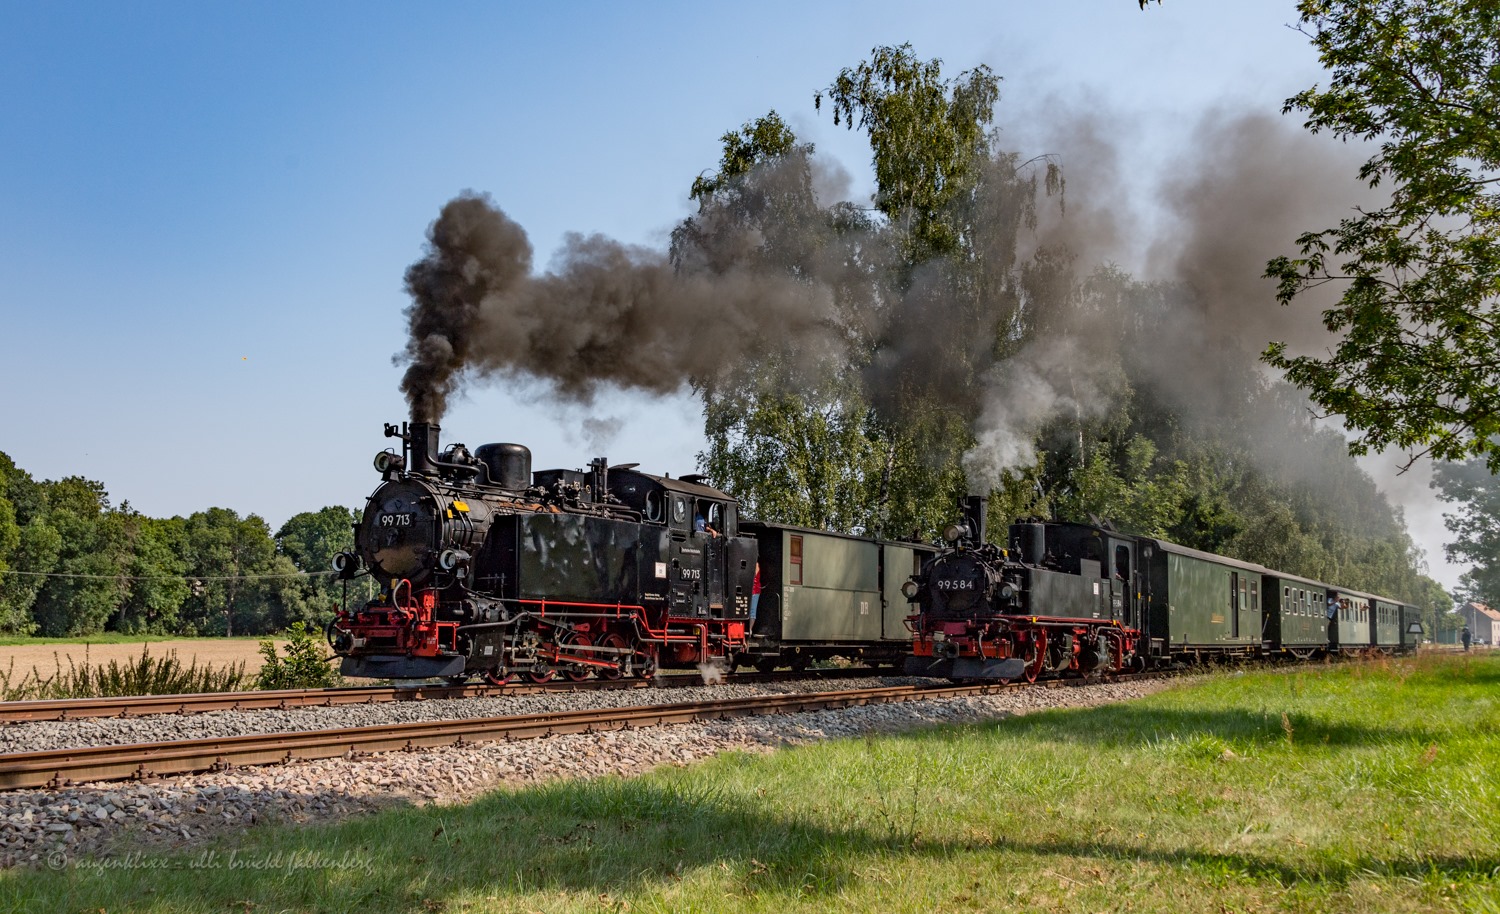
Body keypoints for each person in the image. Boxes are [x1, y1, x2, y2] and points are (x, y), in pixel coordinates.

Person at [749, 563, 762, 631]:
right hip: (751, 590)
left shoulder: (756, 565)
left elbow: (755, 576)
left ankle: (750, 629)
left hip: (755, 590)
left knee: (752, 611)